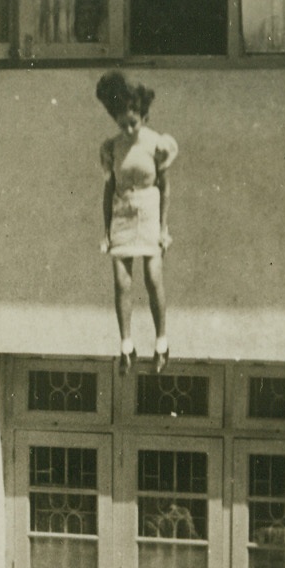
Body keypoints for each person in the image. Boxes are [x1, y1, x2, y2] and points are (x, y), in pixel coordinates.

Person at [96, 70, 178, 373]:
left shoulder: (157, 144)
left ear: (143, 116)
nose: (129, 129)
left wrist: (163, 228)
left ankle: (161, 343)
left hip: (149, 213)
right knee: (121, 282)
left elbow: (165, 188)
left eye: (134, 122)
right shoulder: (111, 148)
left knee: (153, 276)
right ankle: (127, 347)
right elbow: (108, 189)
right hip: (122, 214)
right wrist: (106, 230)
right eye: (123, 124)